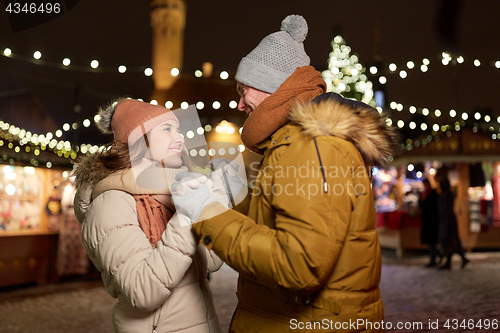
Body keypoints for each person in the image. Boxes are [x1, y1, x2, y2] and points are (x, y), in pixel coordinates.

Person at [171, 15, 399, 332]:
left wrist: (205, 211)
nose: (239, 104)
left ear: (270, 87)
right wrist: (231, 197)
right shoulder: (293, 142)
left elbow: (299, 265)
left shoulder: (312, 146)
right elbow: (282, 219)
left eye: (243, 90)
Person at [72, 98, 223, 333]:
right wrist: (186, 215)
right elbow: (143, 292)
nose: (180, 137)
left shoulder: (173, 191)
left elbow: (212, 262)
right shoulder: (111, 201)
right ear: (139, 140)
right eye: (167, 129)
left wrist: (215, 203)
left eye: (178, 129)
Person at [437, 177, 469, 270]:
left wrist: (446, 223)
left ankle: (452, 261)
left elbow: (446, 209)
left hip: (448, 222)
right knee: (450, 243)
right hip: (447, 221)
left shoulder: (447, 195)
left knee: (450, 242)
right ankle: (455, 260)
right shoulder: (447, 194)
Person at [419, 179, 441, 267]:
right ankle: (438, 257)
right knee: (431, 242)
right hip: (428, 221)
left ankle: (434, 259)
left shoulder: (433, 193)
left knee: (432, 242)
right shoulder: (424, 193)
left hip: (432, 221)